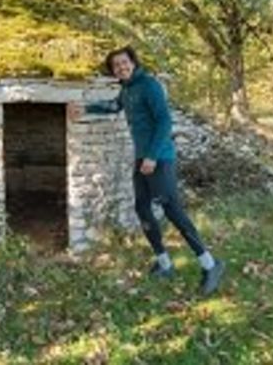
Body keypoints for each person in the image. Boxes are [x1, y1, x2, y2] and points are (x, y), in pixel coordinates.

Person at [67, 45, 225, 295]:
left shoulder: (149, 85)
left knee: (172, 210)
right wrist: (85, 109)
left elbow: (164, 121)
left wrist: (152, 156)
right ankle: (164, 263)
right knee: (141, 207)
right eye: (116, 65)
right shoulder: (127, 89)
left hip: (159, 158)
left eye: (124, 62)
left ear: (133, 62)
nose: (121, 67)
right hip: (143, 159)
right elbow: (114, 107)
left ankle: (210, 263)